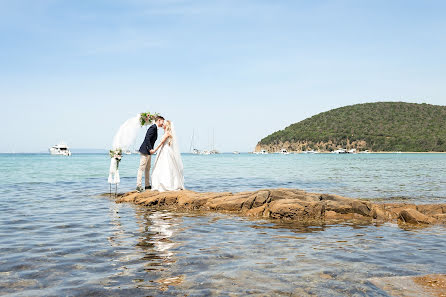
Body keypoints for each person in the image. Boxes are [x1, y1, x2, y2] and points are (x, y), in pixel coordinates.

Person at [150, 120, 185, 192]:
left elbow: (162, 143)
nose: (162, 124)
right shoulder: (166, 133)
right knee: (161, 166)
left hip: (165, 151)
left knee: (166, 166)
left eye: (164, 124)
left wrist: (154, 150)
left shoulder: (168, 133)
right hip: (163, 150)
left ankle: (166, 184)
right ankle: (160, 183)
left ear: (167, 125)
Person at [136, 116, 164, 192]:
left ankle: (147, 185)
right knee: (141, 168)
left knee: (147, 168)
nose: (163, 124)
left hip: (148, 151)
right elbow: (147, 138)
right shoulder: (153, 127)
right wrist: (150, 149)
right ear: (159, 120)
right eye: (162, 122)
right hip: (145, 150)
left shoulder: (155, 128)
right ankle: (138, 186)